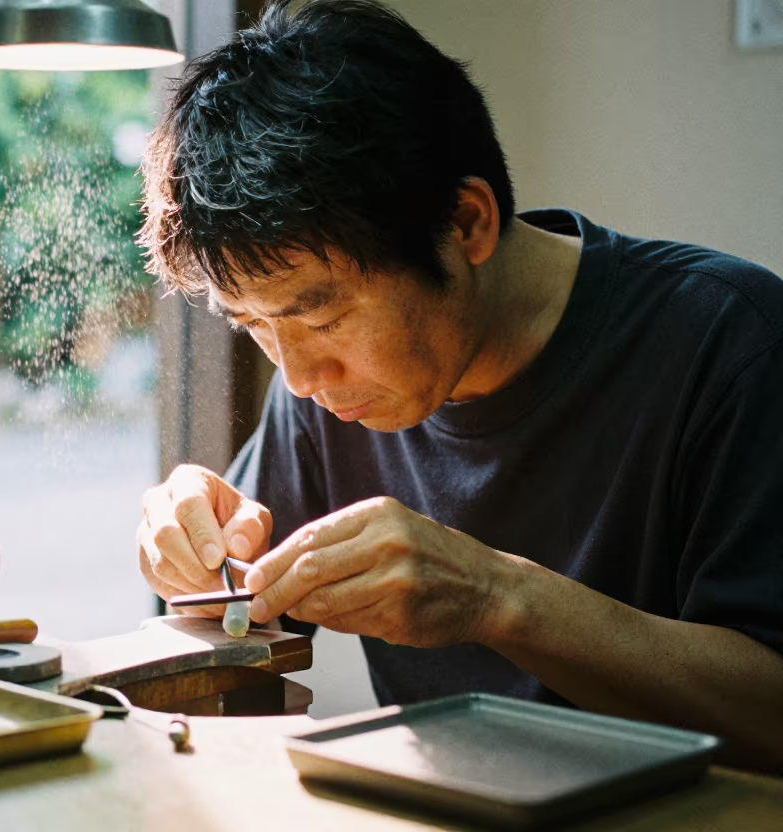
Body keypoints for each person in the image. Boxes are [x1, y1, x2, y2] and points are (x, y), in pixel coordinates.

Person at [134, 0, 783, 772]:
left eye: (327, 317)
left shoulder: (731, 340)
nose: (301, 377)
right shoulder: (325, 391)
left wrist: (495, 597)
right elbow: (234, 630)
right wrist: (193, 558)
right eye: (253, 325)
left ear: (467, 222)